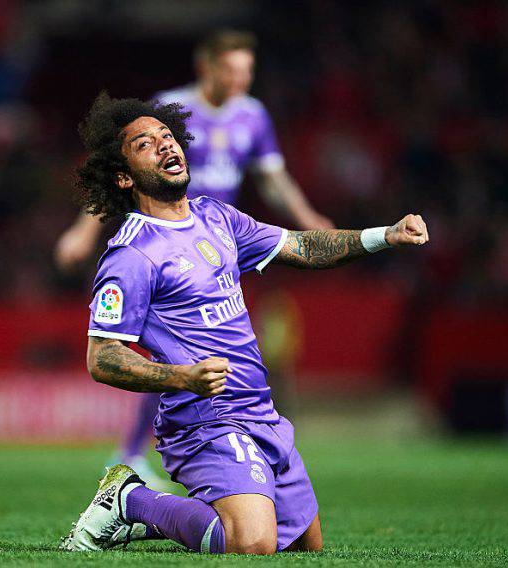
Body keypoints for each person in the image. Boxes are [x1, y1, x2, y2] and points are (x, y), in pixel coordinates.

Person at [59, 93, 429, 554]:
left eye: (168, 136)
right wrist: (180, 377)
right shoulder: (132, 255)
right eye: (144, 144)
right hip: (205, 419)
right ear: (123, 175)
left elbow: (303, 247)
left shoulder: (217, 217)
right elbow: (103, 357)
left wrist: (385, 236)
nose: (165, 146)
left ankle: (157, 511)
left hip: (260, 411)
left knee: (304, 549)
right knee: (251, 544)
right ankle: (130, 500)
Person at [55, 30, 333, 481]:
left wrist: (308, 217)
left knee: (223, 353)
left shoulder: (253, 116)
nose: (241, 80)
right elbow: (116, 167)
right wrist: (82, 231)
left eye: (248, 71)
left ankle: (221, 446)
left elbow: (273, 180)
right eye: (232, 70)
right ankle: (133, 455)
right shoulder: (170, 111)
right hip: (165, 247)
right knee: (171, 355)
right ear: (207, 68)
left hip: (218, 242)